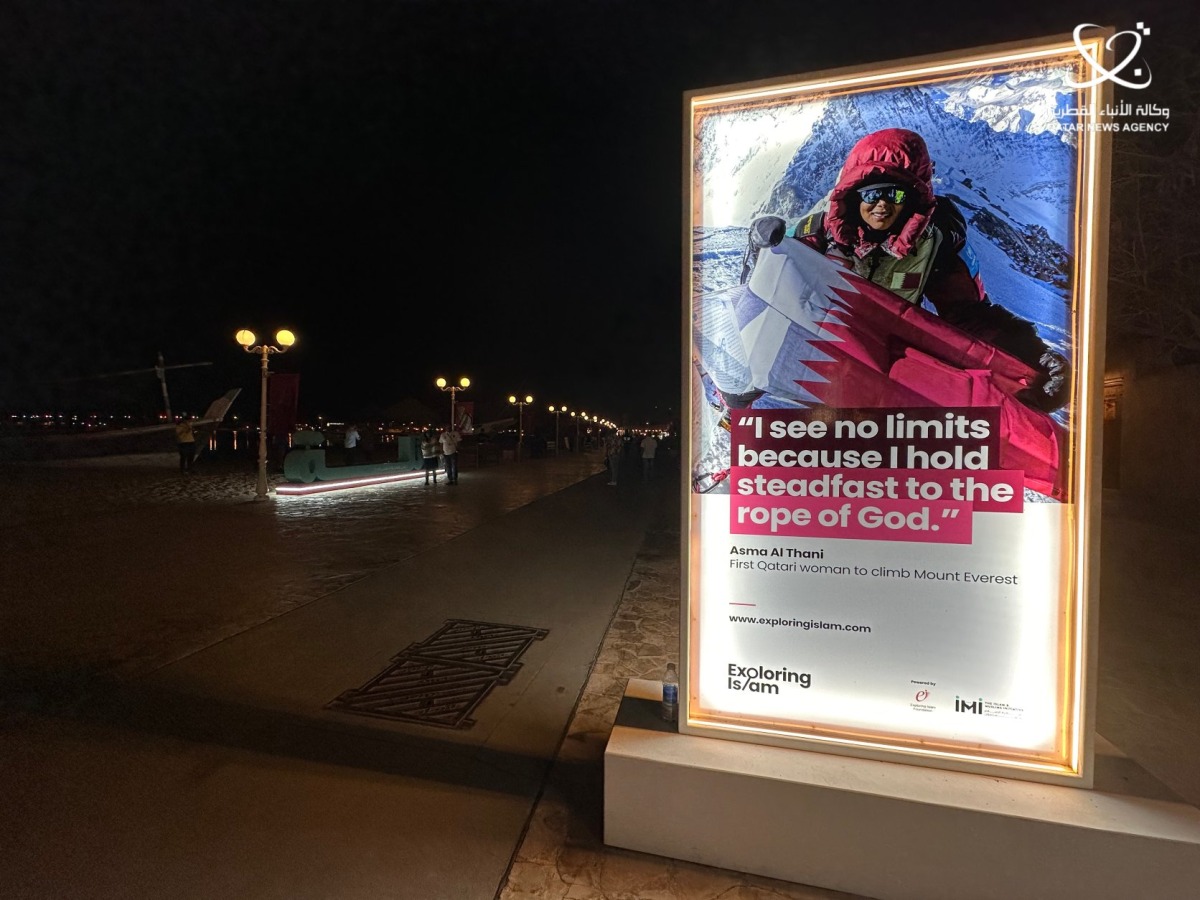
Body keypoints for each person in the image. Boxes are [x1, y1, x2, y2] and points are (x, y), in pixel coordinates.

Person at [746, 127, 1070, 413]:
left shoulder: (937, 240)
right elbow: (763, 293)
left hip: (885, 370)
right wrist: (759, 250)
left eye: (895, 193)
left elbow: (969, 315)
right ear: (853, 195)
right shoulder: (815, 234)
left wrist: (1030, 355)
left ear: (913, 196)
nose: (882, 204)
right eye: (872, 193)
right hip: (815, 362)